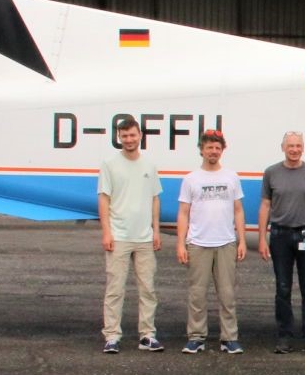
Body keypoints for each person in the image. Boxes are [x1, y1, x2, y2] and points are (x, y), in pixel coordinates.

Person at [258, 131, 305, 355]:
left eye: (298, 146)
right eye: (290, 146)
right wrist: (262, 237)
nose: (294, 150)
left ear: (303, 148)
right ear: (283, 148)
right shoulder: (271, 173)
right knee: (283, 288)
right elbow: (265, 206)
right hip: (280, 235)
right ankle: (284, 336)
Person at [177, 129, 246, 354]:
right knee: (197, 293)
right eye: (209, 147)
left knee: (227, 294)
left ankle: (229, 338)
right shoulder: (191, 179)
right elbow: (184, 213)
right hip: (198, 243)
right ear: (202, 150)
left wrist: (242, 240)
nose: (213, 151)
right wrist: (180, 243)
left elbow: (238, 210)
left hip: (226, 242)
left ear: (222, 150)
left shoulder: (231, 177)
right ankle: (196, 337)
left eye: (217, 148)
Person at [97, 117, 163, 354]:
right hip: (119, 235)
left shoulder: (149, 165)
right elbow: (104, 198)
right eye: (124, 136)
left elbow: (155, 198)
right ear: (119, 138)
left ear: (140, 136)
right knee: (115, 288)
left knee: (148, 288)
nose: (129, 140)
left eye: (132, 135)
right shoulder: (110, 164)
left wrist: (156, 230)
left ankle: (147, 334)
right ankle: (112, 335)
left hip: (144, 236)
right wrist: (107, 232)